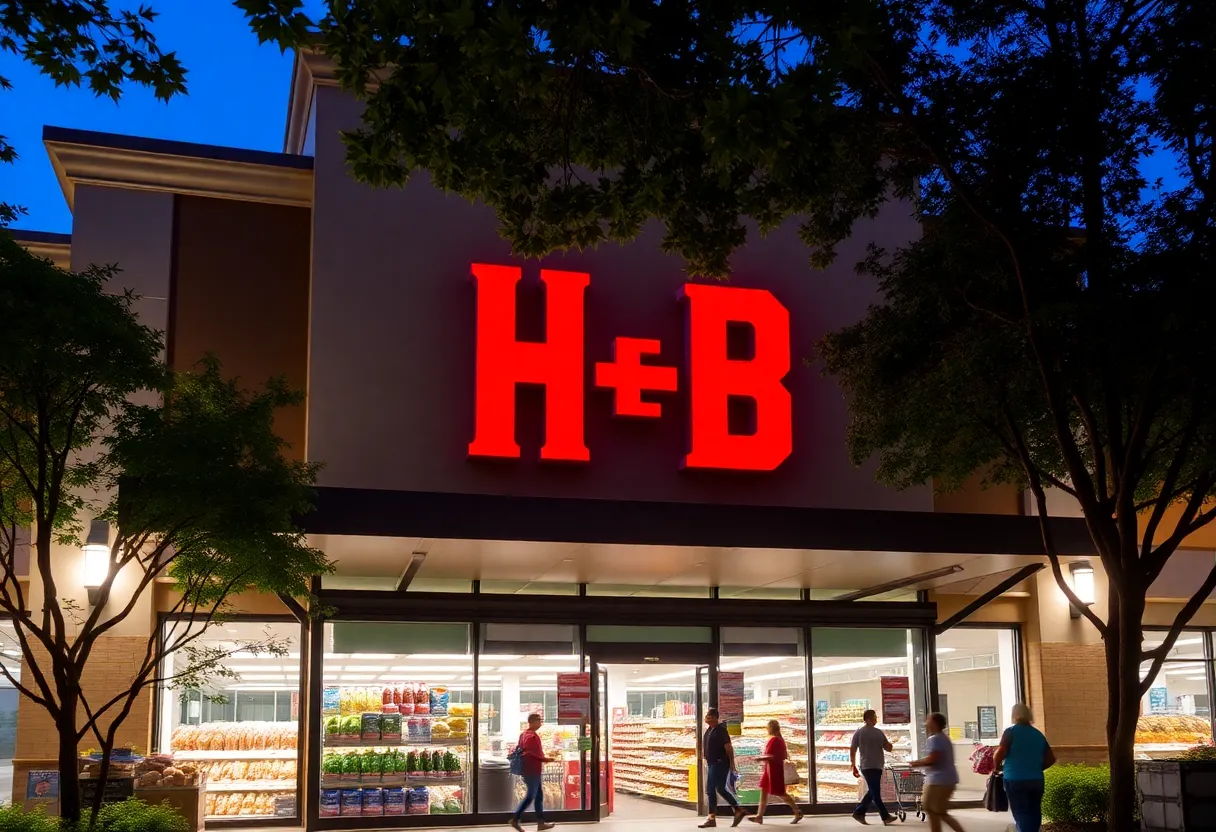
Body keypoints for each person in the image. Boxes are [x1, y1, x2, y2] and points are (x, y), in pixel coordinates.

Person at [993, 704, 1056, 832]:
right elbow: (1051, 759)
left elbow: (999, 754)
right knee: (1034, 812)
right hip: (1036, 779)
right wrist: (1037, 768)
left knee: (1021, 813)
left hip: (1015, 779)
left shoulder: (1010, 732)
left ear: (1014, 715)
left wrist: (997, 767)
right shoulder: (1037, 734)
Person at [909, 713, 965, 832]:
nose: (926, 723)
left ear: (934, 723)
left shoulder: (935, 739)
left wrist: (916, 763)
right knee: (935, 810)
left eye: (928, 721)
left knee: (934, 809)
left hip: (938, 781)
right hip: (947, 779)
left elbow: (933, 759)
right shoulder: (944, 738)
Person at [747, 720, 803, 825]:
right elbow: (781, 756)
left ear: (771, 728)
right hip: (770, 770)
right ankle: (759, 816)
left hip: (774, 770)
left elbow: (773, 756)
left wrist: (760, 758)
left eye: (767, 727)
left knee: (780, 793)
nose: (766, 729)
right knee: (764, 792)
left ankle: (797, 812)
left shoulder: (775, 740)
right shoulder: (779, 740)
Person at [700, 707, 746, 828]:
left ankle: (711, 817)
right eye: (707, 716)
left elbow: (729, 748)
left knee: (710, 789)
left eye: (710, 717)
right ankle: (738, 809)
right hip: (712, 763)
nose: (708, 718)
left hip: (719, 763)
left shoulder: (721, 731)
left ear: (716, 718)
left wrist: (732, 763)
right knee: (720, 788)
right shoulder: (709, 730)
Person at [511, 713, 556, 832]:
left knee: (539, 796)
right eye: (539, 721)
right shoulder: (532, 737)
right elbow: (532, 753)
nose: (540, 723)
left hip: (529, 769)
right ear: (532, 722)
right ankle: (515, 819)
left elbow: (521, 750)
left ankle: (541, 822)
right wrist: (547, 759)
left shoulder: (524, 734)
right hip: (532, 770)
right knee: (531, 796)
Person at [850, 709, 896, 826]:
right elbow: (888, 748)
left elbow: (853, 749)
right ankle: (885, 816)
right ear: (869, 718)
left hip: (865, 766)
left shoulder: (859, 733)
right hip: (877, 766)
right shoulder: (878, 733)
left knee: (873, 791)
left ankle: (859, 812)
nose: (876, 719)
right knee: (875, 792)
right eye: (875, 717)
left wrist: (853, 765)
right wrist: (892, 743)